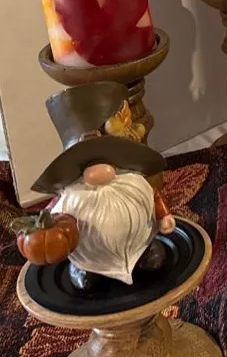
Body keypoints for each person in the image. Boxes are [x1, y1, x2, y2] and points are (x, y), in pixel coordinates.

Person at [30, 82, 173, 292]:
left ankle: (144, 252)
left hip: (139, 242)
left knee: (153, 259)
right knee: (87, 278)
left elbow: (153, 196)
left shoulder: (134, 183)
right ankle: (88, 269)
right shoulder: (70, 197)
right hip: (89, 257)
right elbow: (49, 219)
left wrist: (163, 215)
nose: (99, 171)